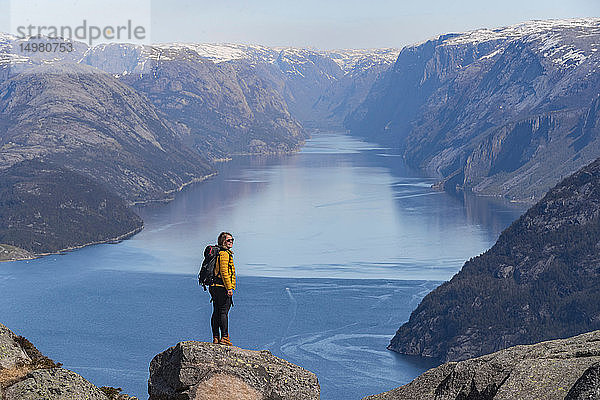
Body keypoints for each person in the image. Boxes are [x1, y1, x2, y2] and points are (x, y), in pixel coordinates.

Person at [209, 231, 236, 346]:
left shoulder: (219, 252)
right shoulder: (224, 254)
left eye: (232, 240)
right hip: (222, 287)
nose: (231, 242)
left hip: (214, 286)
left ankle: (216, 338)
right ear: (223, 241)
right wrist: (229, 288)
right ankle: (224, 337)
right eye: (228, 240)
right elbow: (224, 272)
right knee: (223, 312)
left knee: (216, 312)